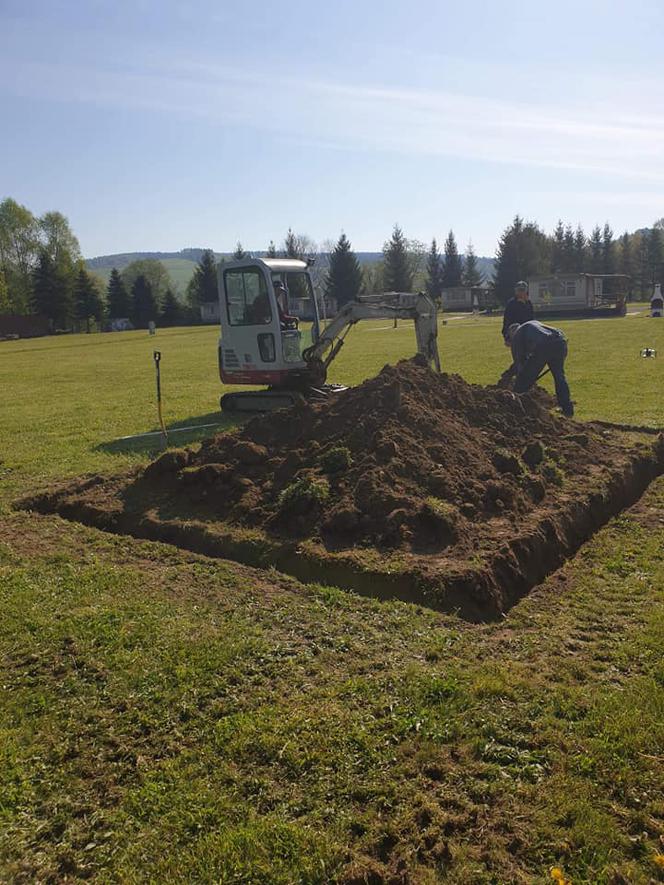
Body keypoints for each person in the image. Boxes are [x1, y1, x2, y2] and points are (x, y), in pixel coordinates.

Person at [506, 320, 574, 416]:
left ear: (512, 333)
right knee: (559, 377)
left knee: (523, 379)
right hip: (560, 342)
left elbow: (519, 362)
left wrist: (521, 381)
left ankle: (516, 406)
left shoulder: (518, 335)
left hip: (544, 346)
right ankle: (567, 409)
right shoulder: (533, 324)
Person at [501, 280, 533, 345]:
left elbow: (531, 318)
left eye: (522, 290)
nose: (521, 292)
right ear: (516, 291)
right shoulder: (511, 303)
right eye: (519, 290)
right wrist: (506, 336)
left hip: (527, 331)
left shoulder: (528, 303)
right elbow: (507, 320)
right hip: (515, 331)